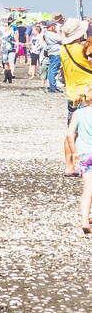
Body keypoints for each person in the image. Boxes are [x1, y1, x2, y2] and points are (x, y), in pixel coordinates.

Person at [59, 20, 92, 178]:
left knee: (71, 132)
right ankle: (85, 163)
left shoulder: (63, 49)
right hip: (88, 94)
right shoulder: (84, 49)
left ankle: (69, 166)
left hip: (72, 95)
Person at [65, 86, 92, 234]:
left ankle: (84, 219)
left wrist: (74, 152)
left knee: (88, 188)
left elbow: (69, 134)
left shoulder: (79, 113)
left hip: (84, 154)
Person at [44, 22, 64, 93]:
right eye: (54, 26)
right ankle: (53, 87)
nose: (55, 28)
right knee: (53, 69)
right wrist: (59, 31)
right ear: (51, 27)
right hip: (55, 53)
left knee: (52, 69)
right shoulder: (51, 34)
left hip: (53, 52)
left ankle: (52, 86)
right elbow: (61, 39)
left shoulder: (47, 34)